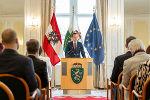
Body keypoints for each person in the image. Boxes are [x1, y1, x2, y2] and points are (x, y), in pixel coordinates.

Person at [0, 29, 38, 95]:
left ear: (2, 42)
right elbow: (33, 87)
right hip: (21, 97)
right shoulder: (26, 61)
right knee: (37, 92)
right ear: (17, 40)